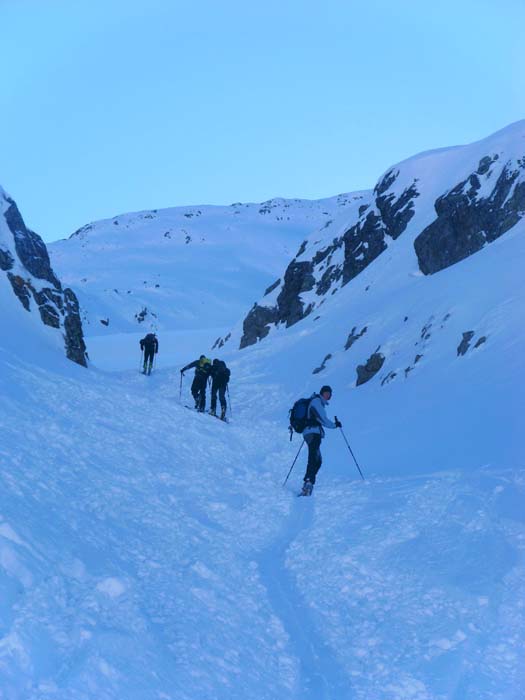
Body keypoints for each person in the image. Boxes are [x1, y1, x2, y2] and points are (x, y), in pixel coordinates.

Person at [300, 385, 342, 496]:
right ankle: (308, 482)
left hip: (313, 433)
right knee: (313, 457)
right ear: (322, 393)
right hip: (312, 433)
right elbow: (323, 419)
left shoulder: (318, 403)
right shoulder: (317, 402)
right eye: (326, 393)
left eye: (330, 394)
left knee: (318, 460)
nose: (328, 395)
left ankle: (309, 482)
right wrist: (334, 425)